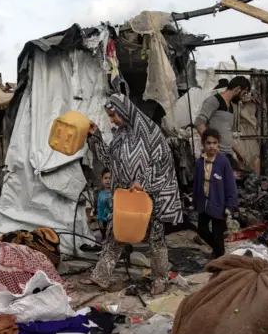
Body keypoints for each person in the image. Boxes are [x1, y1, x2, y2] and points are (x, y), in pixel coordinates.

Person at [82, 94, 183, 295]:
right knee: (115, 234)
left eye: (114, 115)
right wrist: (95, 137)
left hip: (150, 196)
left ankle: (160, 279)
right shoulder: (120, 135)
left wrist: (143, 182)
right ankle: (101, 276)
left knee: (155, 238)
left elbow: (163, 162)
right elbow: (108, 160)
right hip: (127, 196)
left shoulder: (150, 132)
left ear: (125, 111)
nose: (112, 119)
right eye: (109, 116)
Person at [193, 128, 238, 259]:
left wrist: (230, 205)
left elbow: (230, 185)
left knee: (218, 234)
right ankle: (217, 249)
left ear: (218, 144)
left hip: (219, 204)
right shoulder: (200, 162)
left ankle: (219, 256)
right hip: (203, 203)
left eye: (214, 143)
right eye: (208, 143)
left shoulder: (223, 162)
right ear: (203, 144)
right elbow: (196, 184)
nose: (212, 146)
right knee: (202, 230)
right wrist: (195, 202)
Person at [194, 76, 251, 169]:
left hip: (228, 156)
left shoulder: (231, 107)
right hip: (216, 156)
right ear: (237, 89)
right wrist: (212, 147)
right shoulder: (214, 101)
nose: (242, 97)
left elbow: (227, 134)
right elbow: (199, 123)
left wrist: (238, 152)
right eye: (243, 93)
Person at [97, 168, 113, 238]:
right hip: (104, 221)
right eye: (105, 178)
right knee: (105, 237)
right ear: (102, 179)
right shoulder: (101, 194)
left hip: (114, 221)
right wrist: (100, 220)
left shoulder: (116, 192)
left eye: (110, 178)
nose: (108, 180)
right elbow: (100, 207)